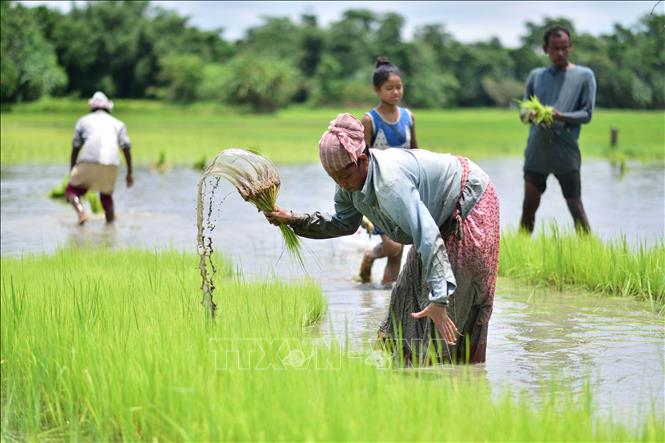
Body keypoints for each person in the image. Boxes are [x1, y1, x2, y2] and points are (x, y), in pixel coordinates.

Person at [265, 114, 500, 364]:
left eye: (344, 177)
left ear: (362, 160)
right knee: (403, 296)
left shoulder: (391, 184)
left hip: (468, 201)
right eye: (334, 179)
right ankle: (403, 374)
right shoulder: (348, 185)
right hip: (437, 213)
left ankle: (456, 380)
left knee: (449, 306)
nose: (341, 184)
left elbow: (428, 236)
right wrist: (293, 219)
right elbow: (344, 223)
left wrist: (440, 299)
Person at [519, 25, 596, 234]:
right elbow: (523, 112)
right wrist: (531, 115)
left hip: (566, 154)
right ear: (546, 49)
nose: (560, 53)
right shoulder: (536, 76)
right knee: (528, 208)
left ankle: (589, 252)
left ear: (570, 47)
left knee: (575, 206)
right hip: (537, 153)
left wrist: (561, 116)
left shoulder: (584, 76)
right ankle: (519, 255)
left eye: (564, 47)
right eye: (555, 48)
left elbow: (587, 114)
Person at [357, 56, 419, 286]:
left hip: (404, 190)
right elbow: (361, 159)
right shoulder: (369, 120)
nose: (396, 92)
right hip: (379, 192)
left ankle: (385, 307)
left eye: (399, 87)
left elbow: (416, 151)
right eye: (389, 88)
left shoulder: (408, 117)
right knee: (392, 246)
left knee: (398, 252)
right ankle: (370, 254)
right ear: (377, 89)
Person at [65, 91, 133, 224]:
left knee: (71, 190)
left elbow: (76, 146)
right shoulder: (118, 123)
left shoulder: (83, 120)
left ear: (92, 107)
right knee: (106, 196)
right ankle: (110, 225)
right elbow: (126, 147)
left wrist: (72, 169)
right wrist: (130, 172)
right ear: (108, 107)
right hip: (111, 163)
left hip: (88, 161)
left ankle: (81, 213)